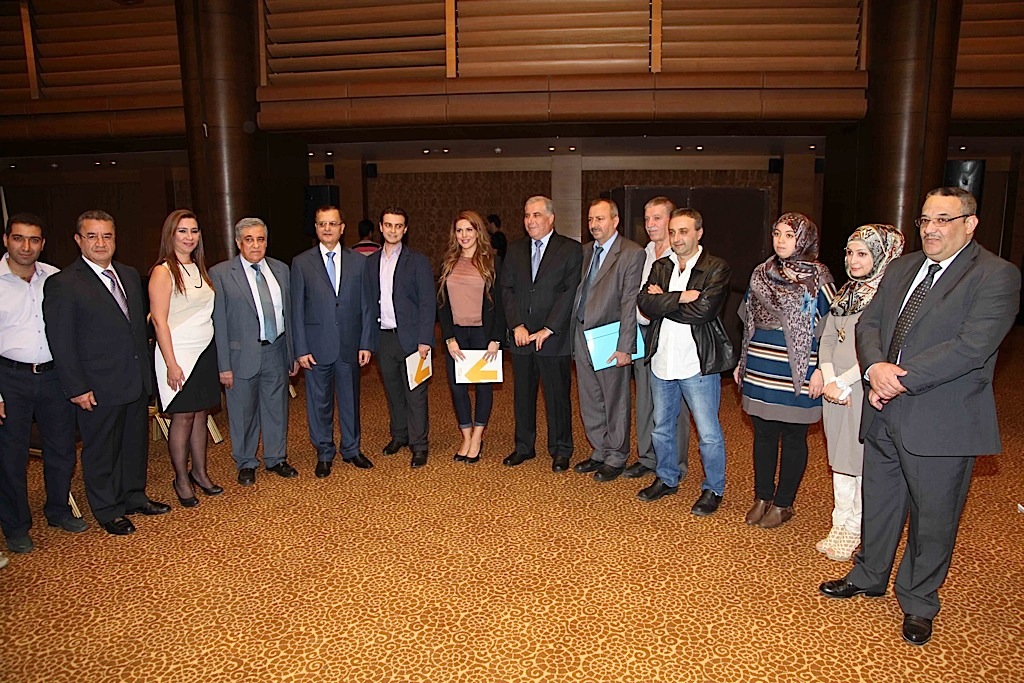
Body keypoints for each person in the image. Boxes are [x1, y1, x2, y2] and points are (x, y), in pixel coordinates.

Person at [820, 187, 1020, 647]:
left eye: (943, 219)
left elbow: (971, 347)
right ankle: (869, 574)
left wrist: (897, 378)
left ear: (970, 224)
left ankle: (918, 600)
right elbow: (869, 324)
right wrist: (874, 368)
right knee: (881, 500)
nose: (931, 229)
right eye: (925, 220)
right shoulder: (902, 268)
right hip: (883, 409)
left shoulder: (996, 275)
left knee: (934, 518)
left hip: (941, 418)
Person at [44, 210, 170, 536]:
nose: (100, 243)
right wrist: (76, 387)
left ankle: (133, 496)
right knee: (101, 451)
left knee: (133, 445)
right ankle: (107, 509)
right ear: (78, 240)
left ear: (115, 239)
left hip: (133, 379)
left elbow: (135, 330)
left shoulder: (127, 274)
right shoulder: (63, 283)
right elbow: (61, 341)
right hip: (97, 386)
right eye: (92, 236)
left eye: (107, 236)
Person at [734, 212, 835, 529]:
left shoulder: (818, 277)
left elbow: (830, 329)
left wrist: (821, 369)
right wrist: (742, 362)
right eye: (777, 233)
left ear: (803, 240)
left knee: (793, 437)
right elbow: (747, 321)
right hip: (760, 365)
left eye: (789, 235)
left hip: (799, 371)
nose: (781, 240)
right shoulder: (761, 273)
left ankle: (784, 502)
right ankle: (762, 496)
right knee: (763, 435)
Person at [636, 209, 735, 514]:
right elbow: (645, 303)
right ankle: (667, 478)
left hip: (697, 364)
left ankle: (713, 488)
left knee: (708, 433)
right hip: (662, 361)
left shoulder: (716, 267)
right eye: (673, 232)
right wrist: (680, 297)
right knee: (661, 428)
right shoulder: (661, 265)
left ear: (699, 233)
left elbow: (704, 311)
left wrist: (663, 298)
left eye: (684, 231)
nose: (677, 238)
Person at [816, 224, 904, 560]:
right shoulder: (845, 293)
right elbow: (828, 338)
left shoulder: (887, 298)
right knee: (839, 458)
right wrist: (829, 377)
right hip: (835, 388)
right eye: (850, 253)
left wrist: (844, 382)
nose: (853, 260)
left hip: (862, 388)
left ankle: (856, 527)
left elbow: (880, 350)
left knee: (858, 460)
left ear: (882, 256)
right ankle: (839, 522)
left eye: (863, 254)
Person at [1, 213, 84, 554]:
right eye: (19, 238)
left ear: (42, 244)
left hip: (53, 377)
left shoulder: (54, 277)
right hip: (9, 379)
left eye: (33, 240)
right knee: (11, 457)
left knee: (62, 449)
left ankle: (58, 510)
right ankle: (16, 526)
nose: (26, 246)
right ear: (6, 240)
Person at [209, 217, 299, 487]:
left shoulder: (281, 269)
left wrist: (292, 353)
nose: (255, 245)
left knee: (276, 408)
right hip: (241, 356)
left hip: (276, 349)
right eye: (249, 240)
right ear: (238, 242)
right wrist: (223, 365)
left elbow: (289, 315)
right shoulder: (221, 273)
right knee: (242, 412)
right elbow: (219, 323)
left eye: (260, 239)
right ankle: (246, 462)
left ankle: (276, 458)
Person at [500, 196, 582, 472]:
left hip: (553, 338)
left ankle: (561, 449)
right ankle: (524, 446)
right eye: (526, 215)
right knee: (522, 395)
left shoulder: (570, 249)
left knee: (557, 396)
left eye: (536, 215)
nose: (530, 220)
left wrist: (549, 328)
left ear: (551, 218)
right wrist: (517, 325)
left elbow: (569, 292)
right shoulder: (514, 249)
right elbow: (507, 289)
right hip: (522, 337)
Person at [291, 205, 374, 477]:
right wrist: (300, 348)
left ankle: (351, 449)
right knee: (319, 403)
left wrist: (365, 343)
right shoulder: (301, 262)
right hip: (316, 347)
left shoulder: (359, 262)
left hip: (350, 344)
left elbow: (366, 306)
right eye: (322, 224)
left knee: (350, 401)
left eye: (332, 223)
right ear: (316, 228)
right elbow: (296, 309)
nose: (327, 228)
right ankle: (324, 452)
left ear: (342, 227)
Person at [149, 210, 223, 507]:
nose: (189, 237)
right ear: (170, 234)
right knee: (183, 417)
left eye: (193, 231)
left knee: (201, 414)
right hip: (177, 353)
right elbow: (159, 321)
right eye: (182, 231)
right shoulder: (163, 271)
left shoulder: (198, 267)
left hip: (203, 351)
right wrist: (171, 363)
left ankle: (200, 473)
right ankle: (181, 478)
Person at [571, 198, 646, 482]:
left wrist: (626, 346)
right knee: (590, 397)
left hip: (610, 336)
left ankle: (616, 455)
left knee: (614, 399)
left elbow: (629, 302)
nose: (594, 225)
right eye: (591, 219)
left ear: (615, 221)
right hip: (581, 333)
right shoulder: (585, 252)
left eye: (600, 219)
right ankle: (599, 450)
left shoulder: (631, 253)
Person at [624, 196, 691, 481]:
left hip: (670, 334)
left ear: (671, 220)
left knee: (675, 403)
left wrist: (660, 300)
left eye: (657, 218)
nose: (650, 224)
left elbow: (678, 302)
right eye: (647, 218)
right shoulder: (645, 253)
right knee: (646, 399)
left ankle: (676, 462)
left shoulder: (682, 256)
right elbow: (639, 297)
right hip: (643, 333)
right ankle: (648, 457)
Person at [364, 208, 435, 468]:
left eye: (398, 226)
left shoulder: (417, 261)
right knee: (393, 391)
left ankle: (419, 444)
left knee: (416, 394)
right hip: (384, 338)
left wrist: (425, 339)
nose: (393, 230)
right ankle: (399, 435)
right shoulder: (371, 262)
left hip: (413, 339)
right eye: (388, 225)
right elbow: (368, 303)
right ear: (381, 227)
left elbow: (428, 302)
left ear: (405, 230)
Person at [437, 210, 505, 463]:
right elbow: (441, 304)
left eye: (469, 229)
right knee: (457, 388)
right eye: (459, 230)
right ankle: (466, 436)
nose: (464, 235)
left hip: (483, 335)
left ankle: (477, 436)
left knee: (483, 386)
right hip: (456, 335)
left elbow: (501, 304)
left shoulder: (492, 262)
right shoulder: (448, 261)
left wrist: (496, 338)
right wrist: (448, 337)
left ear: (478, 232)